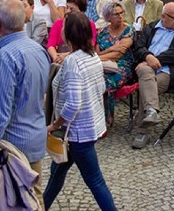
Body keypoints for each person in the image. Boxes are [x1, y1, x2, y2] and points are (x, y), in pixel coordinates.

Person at [0, 0, 50, 210]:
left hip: (12, 145)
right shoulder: (39, 50)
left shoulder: (5, 57)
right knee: (34, 199)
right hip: (34, 135)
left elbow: (1, 110)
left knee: (13, 202)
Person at [43, 12, 117, 211]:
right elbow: (100, 88)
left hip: (76, 134)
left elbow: (73, 104)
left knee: (95, 181)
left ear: (69, 34)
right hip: (87, 128)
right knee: (56, 173)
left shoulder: (73, 62)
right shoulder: (92, 56)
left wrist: (54, 125)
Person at [130, 2, 174, 149]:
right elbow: (138, 47)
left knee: (147, 84)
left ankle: (143, 129)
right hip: (146, 68)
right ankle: (151, 114)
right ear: (163, 16)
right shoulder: (151, 27)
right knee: (145, 75)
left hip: (167, 71)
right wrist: (147, 56)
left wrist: (152, 60)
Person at [96, 2, 135, 121]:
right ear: (108, 17)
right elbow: (96, 53)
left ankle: (105, 118)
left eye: (121, 13)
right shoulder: (101, 32)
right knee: (92, 79)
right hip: (101, 65)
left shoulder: (128, 30)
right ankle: (94, 116)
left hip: (122, 65)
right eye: (116, 14)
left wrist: (99, 56)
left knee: (106, 82)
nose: (120, 16)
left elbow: (118, 54)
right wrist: (112, 49)